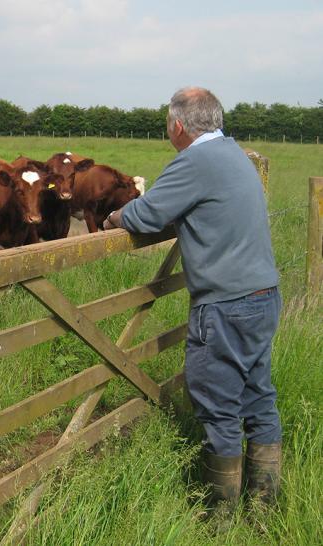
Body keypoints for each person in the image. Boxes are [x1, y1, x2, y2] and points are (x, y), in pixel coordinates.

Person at [103, 87, 282, 514]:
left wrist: (113, 217)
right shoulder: (233, 153)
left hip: (226, 305)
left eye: (168, 126)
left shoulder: (195, 161)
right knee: (258, 396)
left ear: (177, 126)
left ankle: (221, 516)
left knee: (218, 404)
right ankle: (263, 506)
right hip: (263, 295)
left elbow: (146, 214)